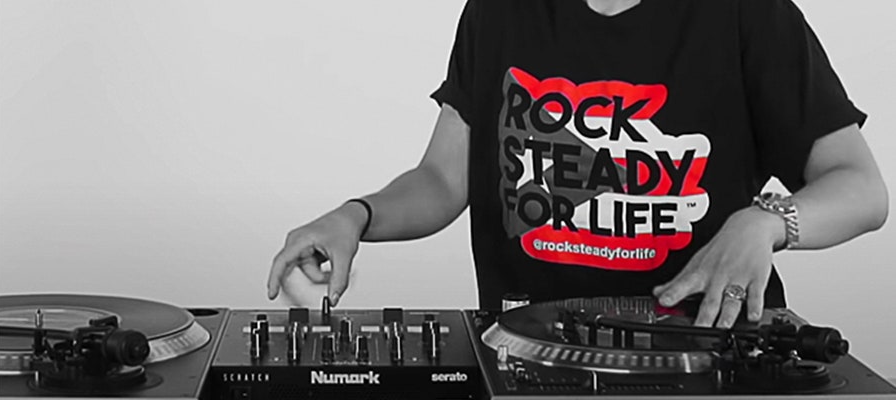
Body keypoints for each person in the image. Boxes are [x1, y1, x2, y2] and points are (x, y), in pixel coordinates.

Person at [268, 0, 888, 328]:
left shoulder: (748, 14)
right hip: (530, 351)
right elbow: (442, 178)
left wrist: (764, 222)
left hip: (708, 352)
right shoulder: (497, 11)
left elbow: (861, 188)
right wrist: (355, 216)